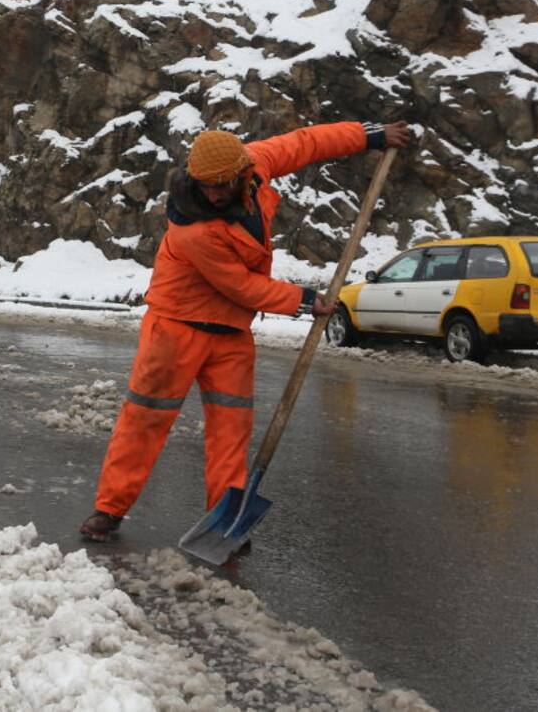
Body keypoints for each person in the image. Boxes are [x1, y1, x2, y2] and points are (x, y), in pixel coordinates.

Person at [79, 120, 412, 542]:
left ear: (242, 174)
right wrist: (303, 300)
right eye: (206, 186)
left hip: (231, 332)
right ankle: (110, 509)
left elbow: (305, 142)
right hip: (175, 329)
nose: (213, 194)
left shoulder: (256, 164)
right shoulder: (193, 231)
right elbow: (240, 285)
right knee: (145, 419)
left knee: (231, 429)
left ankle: (223, 519)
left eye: (222, 186)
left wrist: (370, 137)